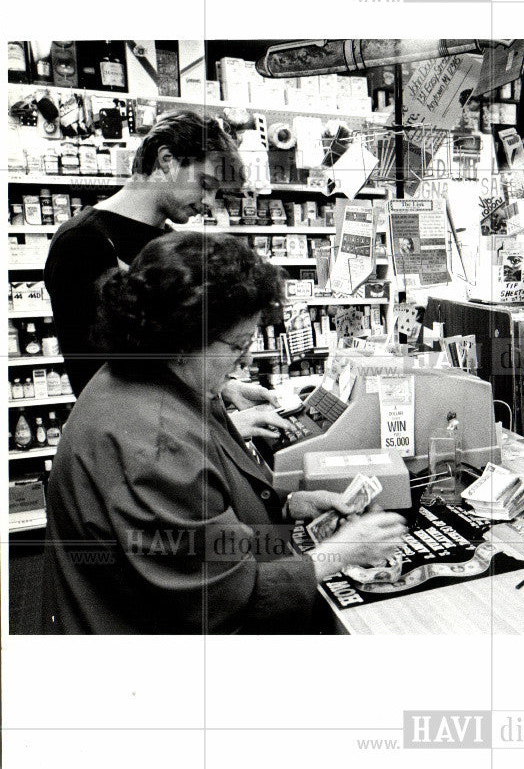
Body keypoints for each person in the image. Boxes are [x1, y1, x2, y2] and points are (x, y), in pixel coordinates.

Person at [39, 232, 407, 634]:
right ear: (183, 336)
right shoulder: (155, 444)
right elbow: (226, 601)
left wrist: (286, 507)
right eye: (238, 345)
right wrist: (340, 552)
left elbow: (201, 523)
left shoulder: (155, 375)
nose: (246, 359)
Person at [43, 109, 286, 439]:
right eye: (205, 184)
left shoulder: (173, 246)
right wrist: (213, 432)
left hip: (172, 431)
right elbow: (97, 381)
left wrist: (225, 388)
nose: (210, 202)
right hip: (131, 448)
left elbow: (176, 353)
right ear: (167, 160)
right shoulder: (84, 242)